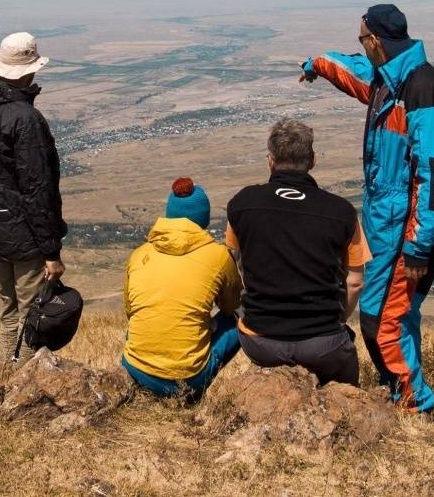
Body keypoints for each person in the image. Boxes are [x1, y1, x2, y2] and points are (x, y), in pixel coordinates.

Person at [300, 4, 434, 412]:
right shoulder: (387, 82)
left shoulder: (426, 92)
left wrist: (419, 247)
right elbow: (349, 69)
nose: (361, 47)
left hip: (408, 234)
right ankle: (405, 395)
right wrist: (315, 65)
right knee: (393, 318)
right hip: (386, 228)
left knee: (382, 323)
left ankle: (414, 406)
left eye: (362, 40)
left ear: (376, 41)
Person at [225, 119, 370, 386]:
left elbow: (230, 262)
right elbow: (355, 281)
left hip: (259, 340)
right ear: (312, 160)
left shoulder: (242, 204)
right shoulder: (341, 213)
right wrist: (336, 321)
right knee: (343, 381)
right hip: (323, 343)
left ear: (271, 160)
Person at [0, 32, 67, 365]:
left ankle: (2, 375)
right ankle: (23, 388)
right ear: (31, 71)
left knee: (9, 310)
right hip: (23, 233)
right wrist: (51, 252)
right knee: (32, 314)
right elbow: (38, 189)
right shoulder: (25, 118)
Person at [122, 177, 242, 401]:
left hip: (134, 367)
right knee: (239, 318)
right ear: (203, 219)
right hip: (189, 377)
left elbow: (130, 312)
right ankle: (193, 395)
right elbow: (231, 305)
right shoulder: (218, 256)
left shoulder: (139, 254)